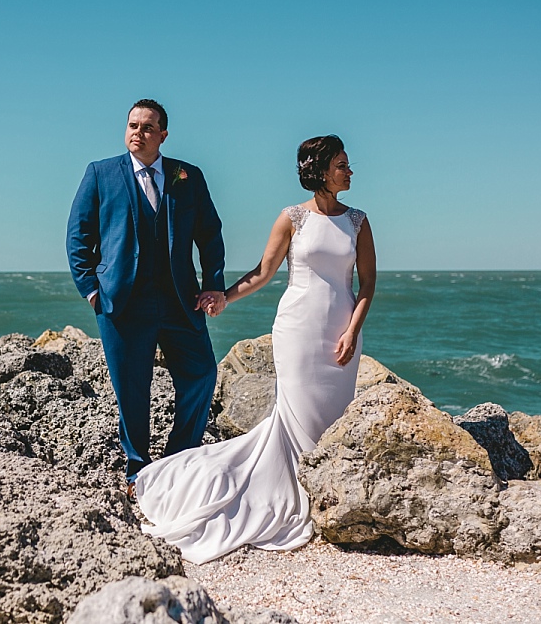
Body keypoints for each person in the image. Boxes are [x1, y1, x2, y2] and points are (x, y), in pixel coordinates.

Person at [135, 134, 376, 563]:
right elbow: (264, 272)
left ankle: (327, 492)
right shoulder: (292, 218)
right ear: (321, 170)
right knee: (296, 415)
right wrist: (224, 296)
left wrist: (353, 331)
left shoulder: (358, 220)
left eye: (347, 163)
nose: (350, 170)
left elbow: (367, 285)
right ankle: (301, 495)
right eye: (342, 164)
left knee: (333, 417)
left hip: (341, 331)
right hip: (297, 330)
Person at [66, 99, 228, 497]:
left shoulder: (187, 176)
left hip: (179, 300)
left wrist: (214, 283)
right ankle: (137, 468)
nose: (137, 133)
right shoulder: (100, 174)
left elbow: (209, 233)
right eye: (132, 126)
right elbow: (78, 236)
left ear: (163, 135)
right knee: (132, 389)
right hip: (122, 303)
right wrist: (91, 291)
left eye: (147, 127)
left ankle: (179, 457)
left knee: (202, 373)